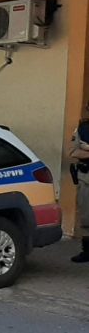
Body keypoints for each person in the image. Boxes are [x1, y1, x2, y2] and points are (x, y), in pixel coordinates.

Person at [69, 112, 89, 263]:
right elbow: (74, 151)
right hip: (86, 177)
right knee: (86, 216)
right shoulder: (83, 128)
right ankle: (87, 250)